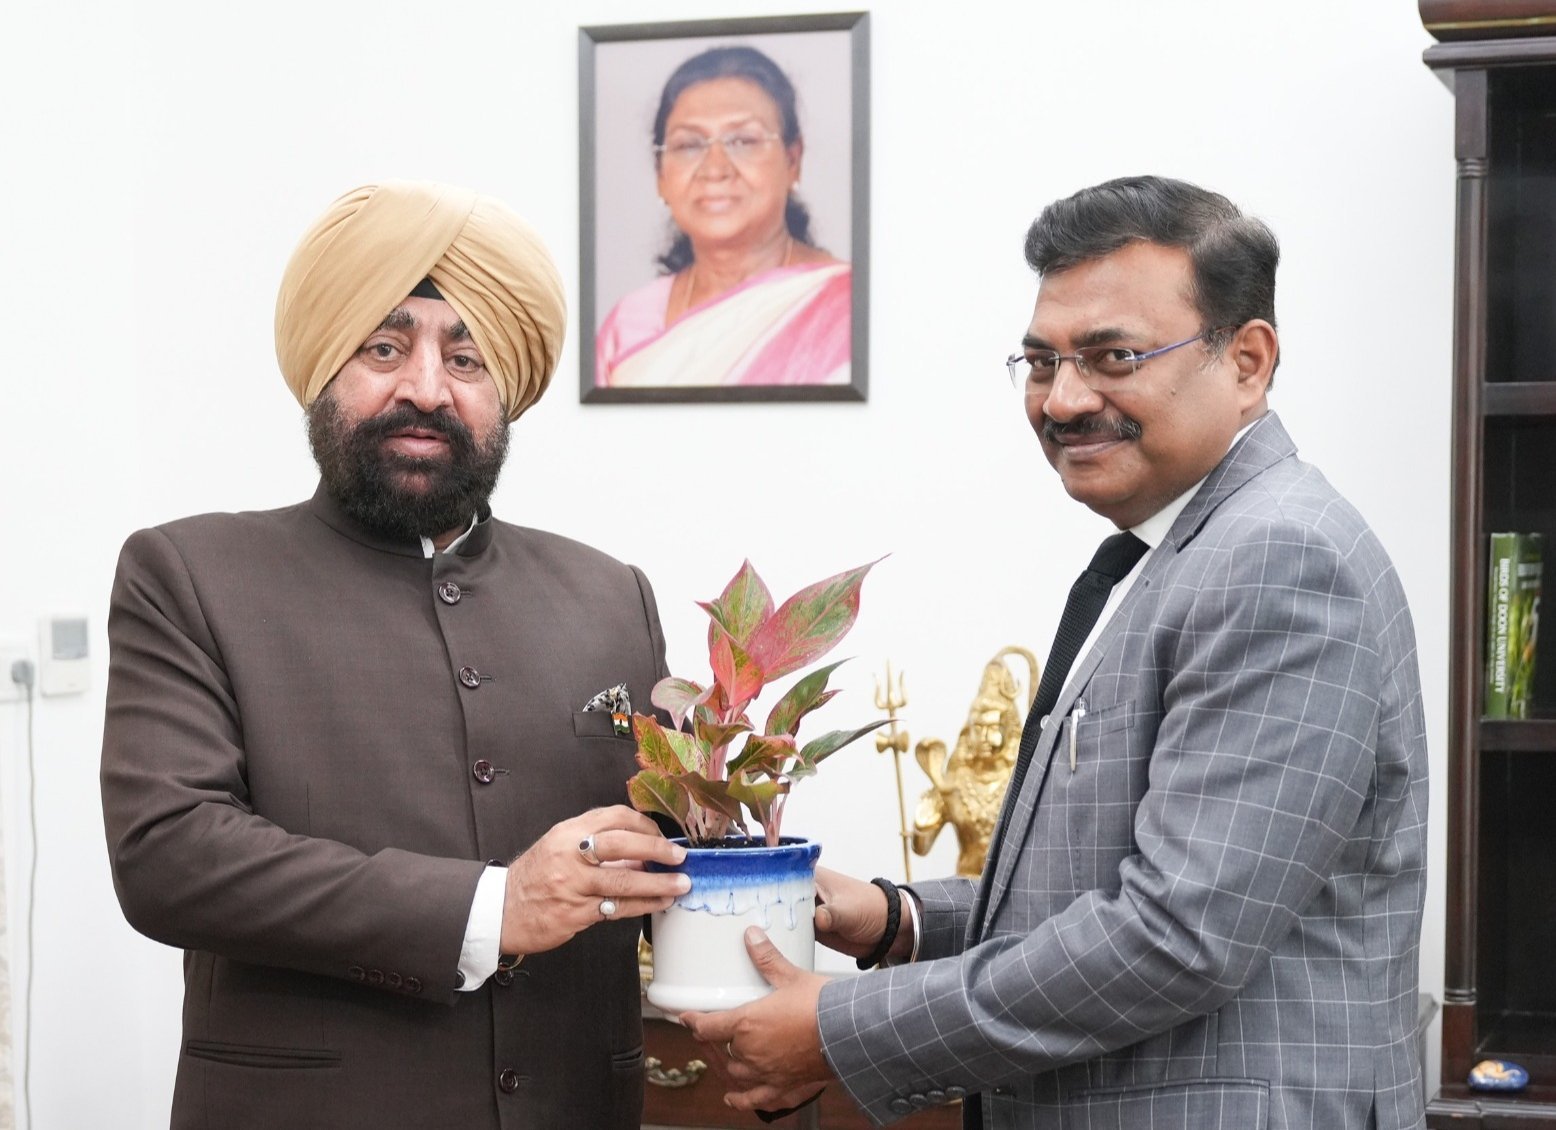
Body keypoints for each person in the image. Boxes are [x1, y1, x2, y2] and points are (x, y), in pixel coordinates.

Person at [680, 175, 1430, 1130]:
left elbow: (1175, 936)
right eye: (1041, 363)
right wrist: (898, 918)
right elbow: (1101, 890)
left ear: (1247, 361)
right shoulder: (1188, 549)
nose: (1065, 400)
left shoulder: (1278, 557)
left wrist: (842, 1028)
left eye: (1114, 357)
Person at [100, 180, 691, 1130]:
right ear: (323, 365)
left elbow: (663, 852)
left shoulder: (610, 592)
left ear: (507, 389)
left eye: (467, 357)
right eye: (384, 348)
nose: (425, 387)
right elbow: (169, 855)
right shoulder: (191, 573)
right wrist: (492, 907)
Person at [594, 45, 851, 389]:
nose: (715, 169)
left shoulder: (852, 305)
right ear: (660, 176)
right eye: (689, 145)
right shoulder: (627, 325)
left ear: (793, 160)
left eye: (743, 140)